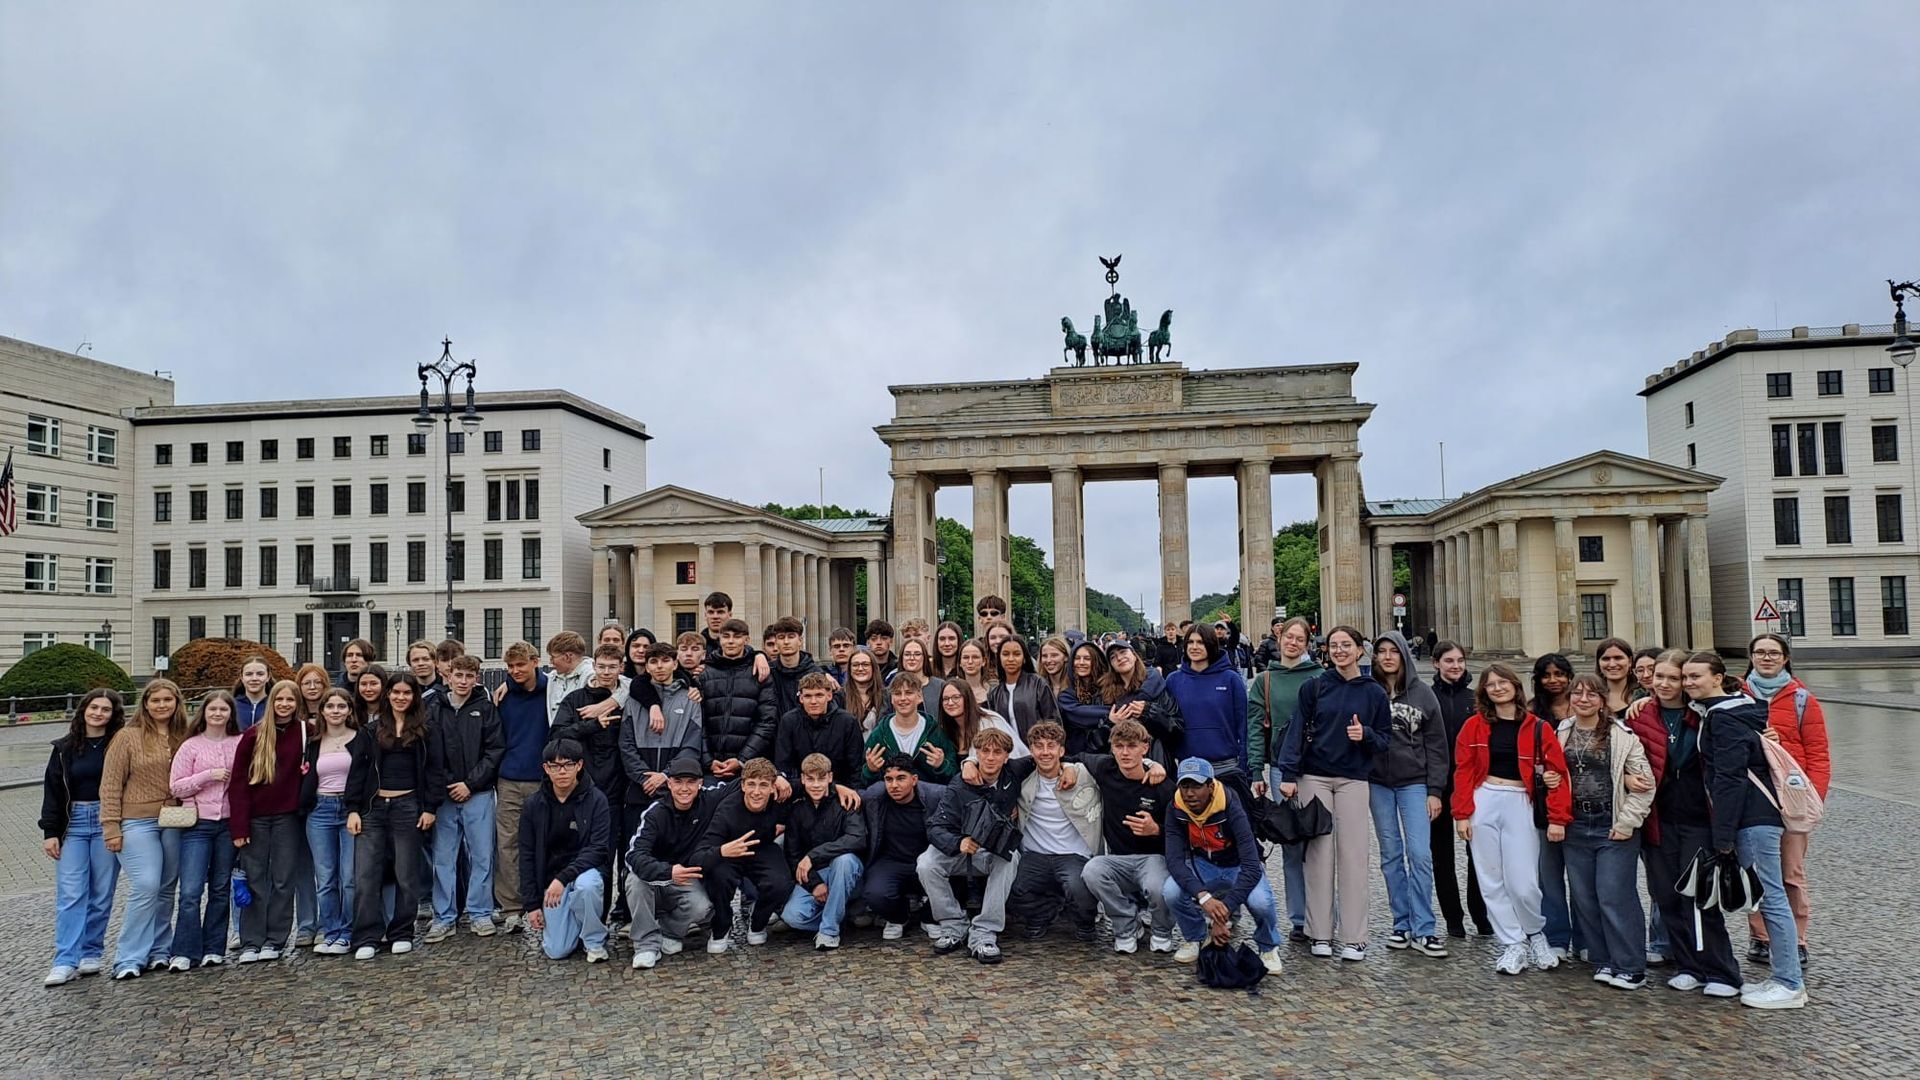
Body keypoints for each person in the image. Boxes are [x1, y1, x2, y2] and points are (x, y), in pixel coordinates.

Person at [1684, 652, 1807, 1009]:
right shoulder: (1736, 708)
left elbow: (1730, 778)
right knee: (1769, 896)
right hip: (1754, 817)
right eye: (1686, 677)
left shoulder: (1724, 718)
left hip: (1753, 819)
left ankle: (1789, 983)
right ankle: (1783, 977)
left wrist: (1722, 836)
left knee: (1771, 897)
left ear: (1718, 677)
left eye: (1696, 676)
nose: (1690, 682)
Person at [1275, 626, 1390, 961]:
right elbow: (1297, 729)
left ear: (1359, 651)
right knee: (1318, 857)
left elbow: (1384, 739)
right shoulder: (1315, 687)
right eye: (1334, 646)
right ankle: (1319, 933)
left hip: (1353, 778)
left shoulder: (1374, 693)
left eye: (1346, 646)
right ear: (1327, 651)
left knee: (1354, 857)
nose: (1339, 651)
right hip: (1316, 777)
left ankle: (1355, 937)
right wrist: (1289, 773)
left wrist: (1364, 734)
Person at [1452, 663, 1571, 976]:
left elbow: (1557, 772)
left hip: (1520, 801)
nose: (1497, 688)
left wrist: (1558, 817)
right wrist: (1462, 813)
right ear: (1484, 692)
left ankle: (1535, 933)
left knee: (1524, 883)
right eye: (1490, 685)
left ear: (1516, 687)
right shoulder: (1473, 726)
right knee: (1491, 879)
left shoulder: (1537, 727)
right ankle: (1512, 942)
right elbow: (1463, 771)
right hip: (1485, 799)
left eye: (1502, 682)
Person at [1642, 649, 1738, 996]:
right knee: (1665, 895)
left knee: (1699, 897)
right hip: (1658, 819)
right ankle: (1687, 965)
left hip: (1699, 819)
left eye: (1675, 677)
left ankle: (1722, 972)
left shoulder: (1704, 714)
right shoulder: (1642, 715)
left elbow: (1741, 715)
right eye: (1659, 677)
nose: (1666, 684)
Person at [1557, 674, 1655, 990]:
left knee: (1614, 895)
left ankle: (1630, 965)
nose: (1583, 699)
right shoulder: (1562, 731)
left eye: (1591, 694)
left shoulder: (1622, 736)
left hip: (1611, 825)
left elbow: (1644, 785)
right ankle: (1603, 959)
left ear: (1603, 700)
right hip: (1576, 826)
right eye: (1577, 693)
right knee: (1585, 898)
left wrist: (1627, 823)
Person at [1742, 632, 1829, 969]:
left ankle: (1797, 938)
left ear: (1785, 658)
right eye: (1760, 652)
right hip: (1752, 795)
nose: (1766, 658)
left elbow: (1818, 754)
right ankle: (1761, 936)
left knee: (1791, 872)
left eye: (1773, 653)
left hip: (1791, 797)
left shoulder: (1802, 699)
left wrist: (1814, 798)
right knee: (1756, 871)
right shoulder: (1737, 694)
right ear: (1750, 657)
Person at [1368, 631, 1451, 958]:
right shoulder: (1369, 691)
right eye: (1381, 652)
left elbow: (1437, 746)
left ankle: (1425, 927)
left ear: (1404, 654)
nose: (1388, 657)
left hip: (1414, 781)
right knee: (1390, 855)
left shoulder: (1423, 694)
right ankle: (1401, 923)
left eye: (1393, 651)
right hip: (1378, 782)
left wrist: (1435, 790)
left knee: (1419, 854)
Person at [1160, 758, 1285, 974]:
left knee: (1261, 902)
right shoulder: (1175, 807)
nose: (1190, 793)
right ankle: (1194, 937)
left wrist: (1223, 911)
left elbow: (1252, 864)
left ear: (1210, 786)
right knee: (1171, 890)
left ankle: (1268, 946)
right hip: (1203, 864)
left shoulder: (1231, 804)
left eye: (1197, 786)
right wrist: (1204, 897)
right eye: (1185, 786)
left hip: (1238, 865)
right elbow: (1174, 861)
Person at [101, 679, 188, 979]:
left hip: (175, 819)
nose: (162, 705)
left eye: (167, 700)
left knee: (166, 888)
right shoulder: (127, 737)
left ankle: (160, 950)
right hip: (137, 820)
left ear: (177, 702)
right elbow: (110, 784)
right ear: (146, 704)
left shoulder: (184, 735)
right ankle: (128, 957)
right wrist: (111, 827)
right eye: (156, 701)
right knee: (146, 884)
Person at [345, 672, 436, 960]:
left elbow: (434, 771)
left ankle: (402, 932)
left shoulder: (425, 731)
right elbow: (356, 774)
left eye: (406, 693)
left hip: (408, 806)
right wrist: (352, 810)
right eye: (395, 692)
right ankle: (366, 936)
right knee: (365, 876)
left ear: (414, 697)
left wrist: (430, 807)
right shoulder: (370, 731)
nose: (400, 697)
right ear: (387, 695)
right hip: (372, 809)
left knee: (407, 875)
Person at [40, 689, 125, 986]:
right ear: (84, 710)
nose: (98, 713)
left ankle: (92, 952)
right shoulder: (64, 747)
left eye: (105, 709)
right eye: (94, 707)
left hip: (107, 820)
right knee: (72, 893)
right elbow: (52, 790)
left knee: (101, 893)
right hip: (73, 823)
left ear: (113, 715)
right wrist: (50, 832)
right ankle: (65, 959)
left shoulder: (118, 744)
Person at [919, 727, 1023, 963]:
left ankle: (985, 932)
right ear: (976, 755)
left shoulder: (1014, 773)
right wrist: (958, 842)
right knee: (926, 863)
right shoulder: (960, 784)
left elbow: (1047, 759)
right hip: (963, 851)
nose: (990, 757)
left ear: (1007, 756)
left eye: (997, 752)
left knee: (1010, 857)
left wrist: (1069, 767)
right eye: (984, 751)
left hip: (993, 852)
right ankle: (953, 924)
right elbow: (935, 827)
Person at [1247, 615, 1321, 940]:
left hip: (1318, 769)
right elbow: (1253, 729)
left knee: (1320, 844)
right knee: (1292, 843)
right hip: (1280, 769)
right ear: (1279, 640)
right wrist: (1255, 771)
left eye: (1299, 639)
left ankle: (1322, 915)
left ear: (1307, 643)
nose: (1292, 643)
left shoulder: (1321, 676)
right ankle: (1299, 919)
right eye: (1288, 637)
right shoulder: (1264, 681)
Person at [424, 654, 506, 942]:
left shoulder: (485, 709)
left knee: (482, 856)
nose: (463, 681)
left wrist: (470, 783)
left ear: (476, 678)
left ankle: (480, 912)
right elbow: (430, 752)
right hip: (445, 796)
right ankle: (444, 916)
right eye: (458, 675)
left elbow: (495, 750)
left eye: (469, 676)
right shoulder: (433, 708)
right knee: (444, 858)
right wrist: (448, 784)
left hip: (478, 793)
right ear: (448, 675)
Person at [1079, 719, 1177, 954]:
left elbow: (1181, 834)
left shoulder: (1163, 787)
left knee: (1157, 886)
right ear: (1111, 748)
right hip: (1118, 859)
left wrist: (1157, 830)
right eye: (1119, 746)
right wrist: (1070, 772)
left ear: (1145, 748)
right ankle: (1126, 925)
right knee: (1092, 870)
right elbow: (1075, 757)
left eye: (1132, 746)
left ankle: (1162, 930)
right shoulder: (1105, 768)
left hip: (1153, 859)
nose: (1125, 753)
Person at [227, 679, 307, 965]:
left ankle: (276, 939)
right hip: (257, 817)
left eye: (290, 700)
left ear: (297, 704)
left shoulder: (305, 732)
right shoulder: (253, 735)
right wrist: (239, 827)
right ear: (272, 702)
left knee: (283, 881)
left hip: (288, 817)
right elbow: (237, 784)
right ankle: (252, 940)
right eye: (280, 700)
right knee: (255, 880)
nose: (284, 705)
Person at [513, 737, 612, 963]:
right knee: (557, 950)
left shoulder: (597, 800)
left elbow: (598, 849)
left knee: (587, 886)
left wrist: (563, 878)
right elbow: (527, 856)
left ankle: (594, 940)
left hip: (586, 873)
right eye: (555, 766)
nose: (562, 772)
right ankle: (575, 925)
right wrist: (531, 905)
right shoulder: (533, 805)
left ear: (579, 765)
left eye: (568, 765)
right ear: (546, 769)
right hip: (551, 883)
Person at [621, 752, 720, 969]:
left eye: (691, 782)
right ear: (670, 783)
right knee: (634, 881)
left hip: (684, 879)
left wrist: (777, 777)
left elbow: (742, 784)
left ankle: (668, 931)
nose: (684, 788)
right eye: (678, 782)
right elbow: (633, 856)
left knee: (702, 908)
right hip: (654, 878)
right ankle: (646, 945)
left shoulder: (709, 799)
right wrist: (667, 871)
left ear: (700, 783)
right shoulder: (655, 813)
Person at [1005, 722, 1100, 941]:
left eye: (1051, 746)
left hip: (1074, 854)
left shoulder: (1083, 773)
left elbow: (1121, 762)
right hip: (1035, 855)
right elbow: (990, 763)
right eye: (1038, 746)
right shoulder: (1023, 778)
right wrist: (970, 762)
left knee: (1079, 887)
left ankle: (1084, 921)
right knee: (1013, 887)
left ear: (1062, 750)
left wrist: (1152, 764)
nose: (1045, 752)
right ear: (1031, 750)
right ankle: (1043, 914)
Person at [168, 690, 241, 971]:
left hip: (227, 824)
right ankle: (184, 950)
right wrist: (207, 776)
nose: (218, 714)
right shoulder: (191, 746)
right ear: (204, 713)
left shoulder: (239, 742)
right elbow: (177, 786)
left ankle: (214, 947)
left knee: (221, 888)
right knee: (190, 890)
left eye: (223, 710)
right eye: (213, 709)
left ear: (230, 714)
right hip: (197, 824)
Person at [692, 757, 790, 953]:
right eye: (751, 784)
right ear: (742, 786)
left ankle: (758, 921)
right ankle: (721, 926)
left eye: (763, 785)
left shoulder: (780, 798)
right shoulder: (725, 812)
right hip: (728, 851)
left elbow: (810, 784)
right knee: (718, 878)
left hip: (762, 848)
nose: (756, 791)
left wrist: (840, 788)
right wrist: (723, 851)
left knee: (781, 883)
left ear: (773, 788)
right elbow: (698, 857)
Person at [1428, 642, 1491, 939]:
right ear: (1436, 663)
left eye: (1460, 660)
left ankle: (1480, 914)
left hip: (1473, 785)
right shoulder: (1429, 698)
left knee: (1477, 851)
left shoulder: (1476, 699)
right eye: (1449, 660)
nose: (1455, 666)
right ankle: (1453, 918)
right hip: (1438, 784)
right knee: (1441, 855)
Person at [780, 753, 870, 949]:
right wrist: (815, 884)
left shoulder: (846, 801)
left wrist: (813, 855)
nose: (816, 785)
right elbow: (793, 854)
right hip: (817, 874)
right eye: (810, 779)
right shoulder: (797, 809)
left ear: (830, 777)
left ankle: (829, 930)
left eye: (821, 778)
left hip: (847, 872)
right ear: (803, 779)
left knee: (844, 861)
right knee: (792, 916)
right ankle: (841, 914)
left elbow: (857, 838)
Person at [493, 640, 550, 934]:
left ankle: (547, 902)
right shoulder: (502, 696)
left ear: (535, 662)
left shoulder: (551, 690)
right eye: (510, 667)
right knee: (508, 844)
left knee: (547, 844)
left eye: (520, 665)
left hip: (545, 779)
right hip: (510, 779)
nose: (515, 671)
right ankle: (512, 906)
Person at [861, 755, 948, 941]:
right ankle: (899, 917)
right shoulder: (875, 797)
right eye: (889, 779)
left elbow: (965, 797)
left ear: (914, 779)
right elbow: (851, 795)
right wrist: (839, 788)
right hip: (891, 861)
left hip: (927, 861)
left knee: (956, 876)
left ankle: (930, 917)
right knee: (875, 894)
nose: (894, 785)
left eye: (901, 778)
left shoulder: (936, 795)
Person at [1165, 625, 1251, 804]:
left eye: (1201, 642)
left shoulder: (1231, 679)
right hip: (1188, 768)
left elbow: (1244, 725)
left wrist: (1244, 767)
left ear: (1211, 645)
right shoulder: (1173, 680)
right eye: (1190, 642)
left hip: (1226, 766)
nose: (1194, 647)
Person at [621, 642, 706, 821]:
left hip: (675, 789)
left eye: (665, 660)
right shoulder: (634, 701)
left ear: (675, 664)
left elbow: (691, 746)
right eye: (653, 661)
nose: (659, 666)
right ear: (647, 667)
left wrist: (666, 775)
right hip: (639, 790)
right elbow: (626, 745)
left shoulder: (690, 699)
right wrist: (644, 778)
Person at [1529, 652, 1577, 957]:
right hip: (1545, 806)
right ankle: (1557, 938)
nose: (1553, 680)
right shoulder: (1533, 714)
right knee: (1549, 877)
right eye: (1546, 675)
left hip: (1585, 802)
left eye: (1559, 674)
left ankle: (1587, 940)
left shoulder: (1586, 706)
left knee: (1584, 879)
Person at [305, 687, 359, 956]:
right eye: (331, 706)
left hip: (349, 810)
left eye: (341, 706)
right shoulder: (313, 741)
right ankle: (331, 930)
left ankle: (348, 932)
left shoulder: (360, 738)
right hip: (321, 809)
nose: (336, 711)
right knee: (326, 877)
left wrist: (356, 808)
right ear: (322, 710)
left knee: (349, 877)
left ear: (349, 710)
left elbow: (364, 777)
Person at [694, 619, 777, 780]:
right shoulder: (704, 674)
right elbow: (698, 722)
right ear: (719, 639)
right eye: (726, 636)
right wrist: (708, 760)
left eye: (737, 637)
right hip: (711, 767)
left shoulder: (759, 673)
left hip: (748, 767)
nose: (731, 641)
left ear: (747, 640)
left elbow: (766, 721)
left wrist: (742, 760)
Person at [774, 672, 864, 788]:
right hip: (800, 789)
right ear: (801, 698)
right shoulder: (789, 721)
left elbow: (855, 768)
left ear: (829, 696)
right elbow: (783, 764)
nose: (813, 701)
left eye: (819, 695)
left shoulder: (847, 722)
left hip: (840, 789)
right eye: (808, 696)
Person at [1100, 641, 1182, 767]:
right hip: (1118, 769)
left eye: (1123, 652)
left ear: (1134, 655)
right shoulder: (1104, 695)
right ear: (1111, 665)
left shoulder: (1158, 690)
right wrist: (1110, 724)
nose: (1119, 658)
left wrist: (1150, 712)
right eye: (1113, 657)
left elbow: (1177, 731)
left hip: (1156, 763)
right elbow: (1096, 744)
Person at [864, 673, 958, 784]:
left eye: (909, 693)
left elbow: (954, 776)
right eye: (898, 694)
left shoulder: (935, 732)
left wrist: (941, 765)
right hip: (890, 795)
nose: (903, 698)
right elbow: (863, 779)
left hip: (927, 796)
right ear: (891, 699)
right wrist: (870, 770)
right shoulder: (879, 734)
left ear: (920, 697)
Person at [938, 678, 1029, 760]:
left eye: (956, 697)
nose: (950, 703)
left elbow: (1011, 756)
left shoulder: (991, 722)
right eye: (945, 699)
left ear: (967, 698)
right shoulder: (946, 729)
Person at [1054, 641, 1112, 755]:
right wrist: (1112, 715)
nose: (1081, 663)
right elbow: (1080, 714)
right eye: (1077, 658)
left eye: (1087, 658)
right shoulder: (1066, 695)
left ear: (1096, 661)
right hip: (1079, 755)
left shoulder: (1111, 689)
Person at [765, 617, 828, 720]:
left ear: (800, 641)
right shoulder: (767, 671)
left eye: (791, 637)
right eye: (781, 637)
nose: (786, 642)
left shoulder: (816, 673)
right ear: (776, 642)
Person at [543, 631, 592, 724]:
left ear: (567, 657)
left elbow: (624, 684)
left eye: (553, 657)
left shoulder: (593, 676)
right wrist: (508, 685)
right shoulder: (554, 676)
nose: (551, 662)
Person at [895, 637, 944, 723]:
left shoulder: (940, 686)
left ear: (924, 657)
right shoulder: (892, 688)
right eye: (907, 654)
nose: (912, 658)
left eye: (917, 654)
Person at [841, 648, 885, 734]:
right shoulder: (840, 697)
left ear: (873, 668)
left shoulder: (886, 696)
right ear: (849, 670)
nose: (860, 668)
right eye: (855, 665)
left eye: (865, 664)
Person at [233, 657, 273, 732]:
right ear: (242, 677)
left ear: (268, 677)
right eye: (249, 674)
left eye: (260, 674)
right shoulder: (231, 706)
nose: (254, 678)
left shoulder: (275, 705)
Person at [955, 639, 995, 706]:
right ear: (960, 662)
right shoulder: (952, 690)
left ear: (983, 661)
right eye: (965, 657)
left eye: (975, 657)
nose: (970, 661)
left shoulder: (994, 692)